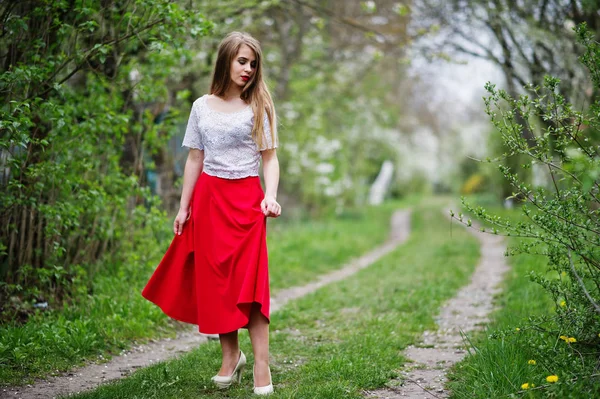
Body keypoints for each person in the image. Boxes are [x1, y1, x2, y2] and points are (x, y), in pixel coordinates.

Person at [142, 31, 281, 396]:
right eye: (242, 61)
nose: (248, 69)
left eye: (253, 63)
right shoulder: (201, 106)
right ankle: (231, 356)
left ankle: (262, 366)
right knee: (217, 282)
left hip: (248, 203)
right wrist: (184, 206)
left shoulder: (259, 105)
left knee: (250, 284)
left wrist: (271, 196)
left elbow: (270, 157)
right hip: (209, 201)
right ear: (225, 61)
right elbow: (195, 157)